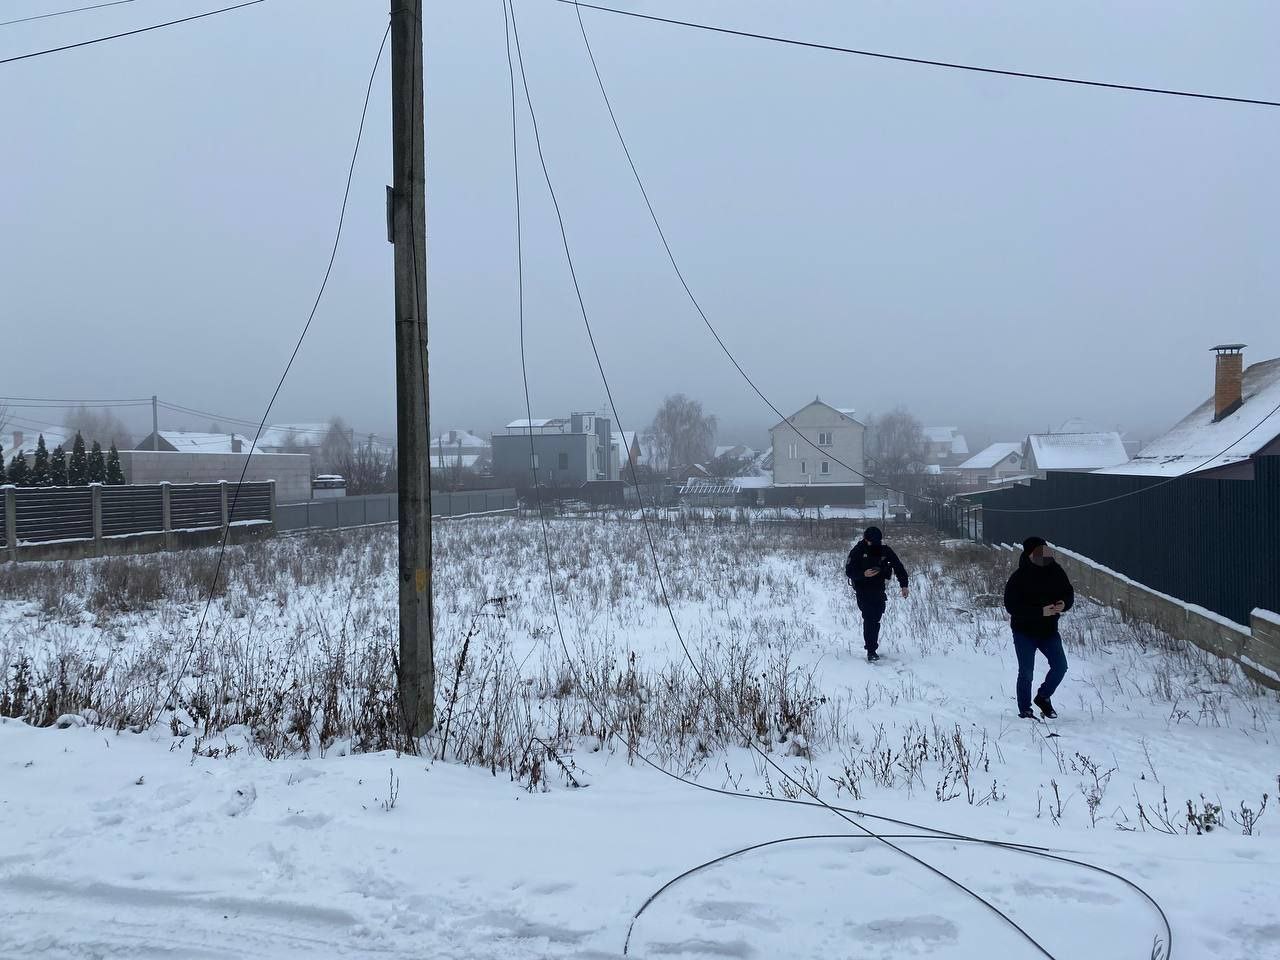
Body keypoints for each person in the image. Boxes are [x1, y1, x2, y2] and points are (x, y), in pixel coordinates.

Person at [1003, 536, 1074, 719]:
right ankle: (1025, 710)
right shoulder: (1019, 577)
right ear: (1029, 555)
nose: (1043, 556)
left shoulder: (1056, 571)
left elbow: (1068, 592)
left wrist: (1064, 604)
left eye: (1045, 551)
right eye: (1037, 553)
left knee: (1060, 666)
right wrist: (1040, 611)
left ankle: (1043, 697)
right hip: (1024, 632)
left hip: (1048, 631)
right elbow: (1012, 606)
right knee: (1026, 672)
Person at [844, 526, 909, 662]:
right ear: (865, 539)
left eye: (877, 541)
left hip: (878, 589)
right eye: (871, 542)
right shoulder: (858, 550)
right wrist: (863, 574)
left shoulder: (884, 549)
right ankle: (871, 650)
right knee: (869, 618)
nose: (874, 544)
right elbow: (849, 571)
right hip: (862, 589)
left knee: (876, 617)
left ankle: (872, 647)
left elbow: (898, 566)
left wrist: (904, 585)